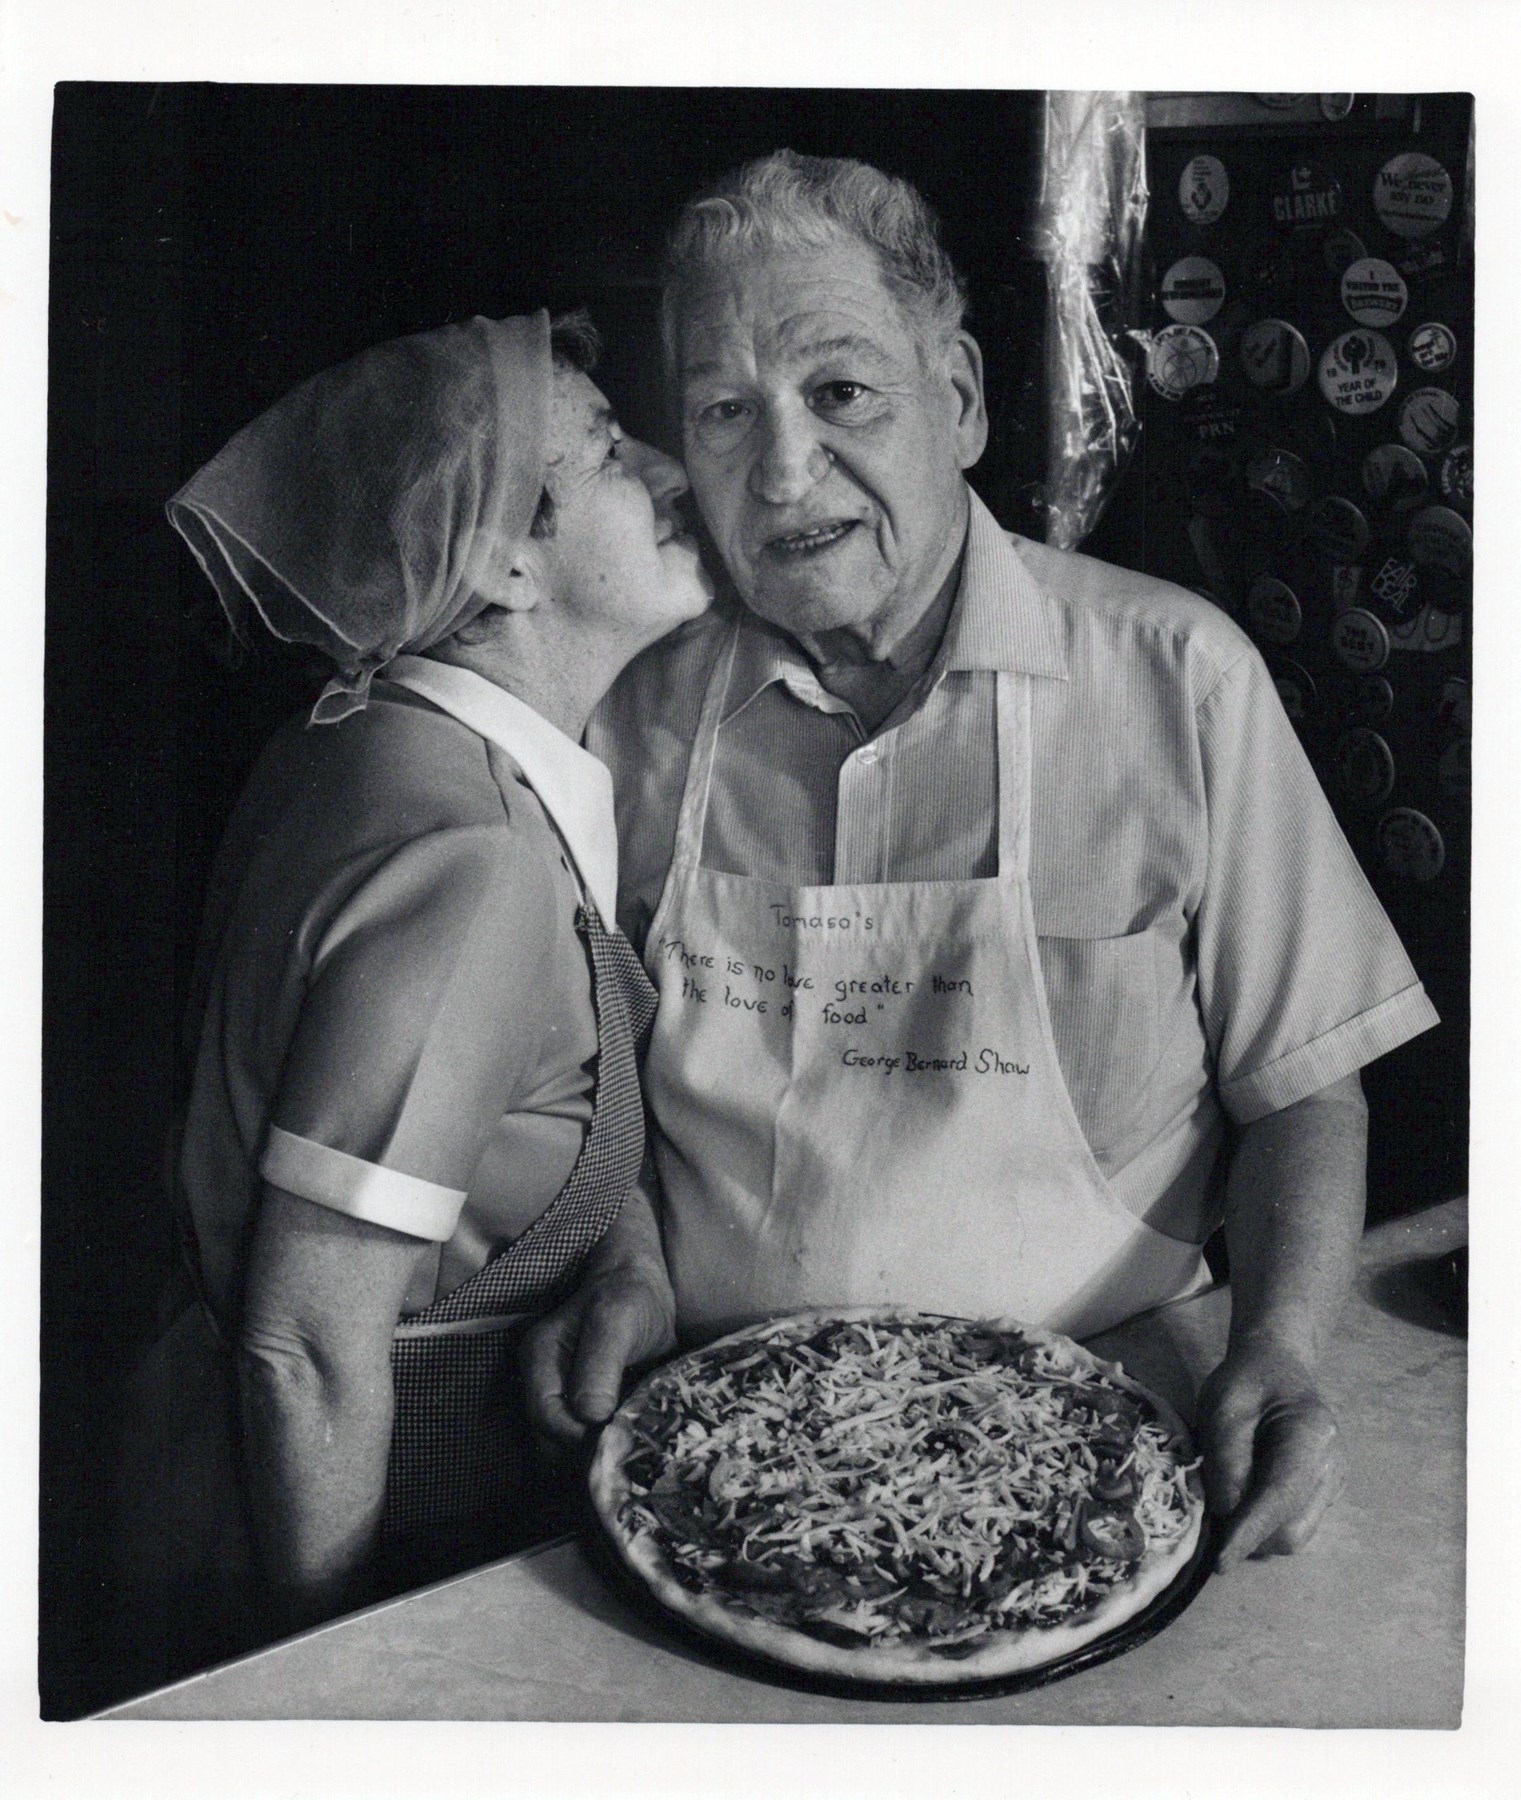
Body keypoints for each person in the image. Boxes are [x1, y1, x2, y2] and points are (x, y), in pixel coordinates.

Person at [524, 152, 1440, 1572]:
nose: (782, 472)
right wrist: (628, 1260)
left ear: (955, 397)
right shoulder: (628, 710)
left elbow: (1306, 1089)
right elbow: (591, 1092)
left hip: (1103, 1446)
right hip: (717, 1456)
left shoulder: (1176, 679)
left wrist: (1279, 1346)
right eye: (723, 411)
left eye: (841, 393)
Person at [115, 309, 710, 1678]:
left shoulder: (366, 736)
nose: (671, 469)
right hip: (307, 1557)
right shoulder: (477, 857)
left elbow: (516, 1114)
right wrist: (338, 1684)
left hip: (205, 1477)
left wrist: (622, 1264)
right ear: (503, 558)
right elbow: (306, 1347)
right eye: (612, 450)